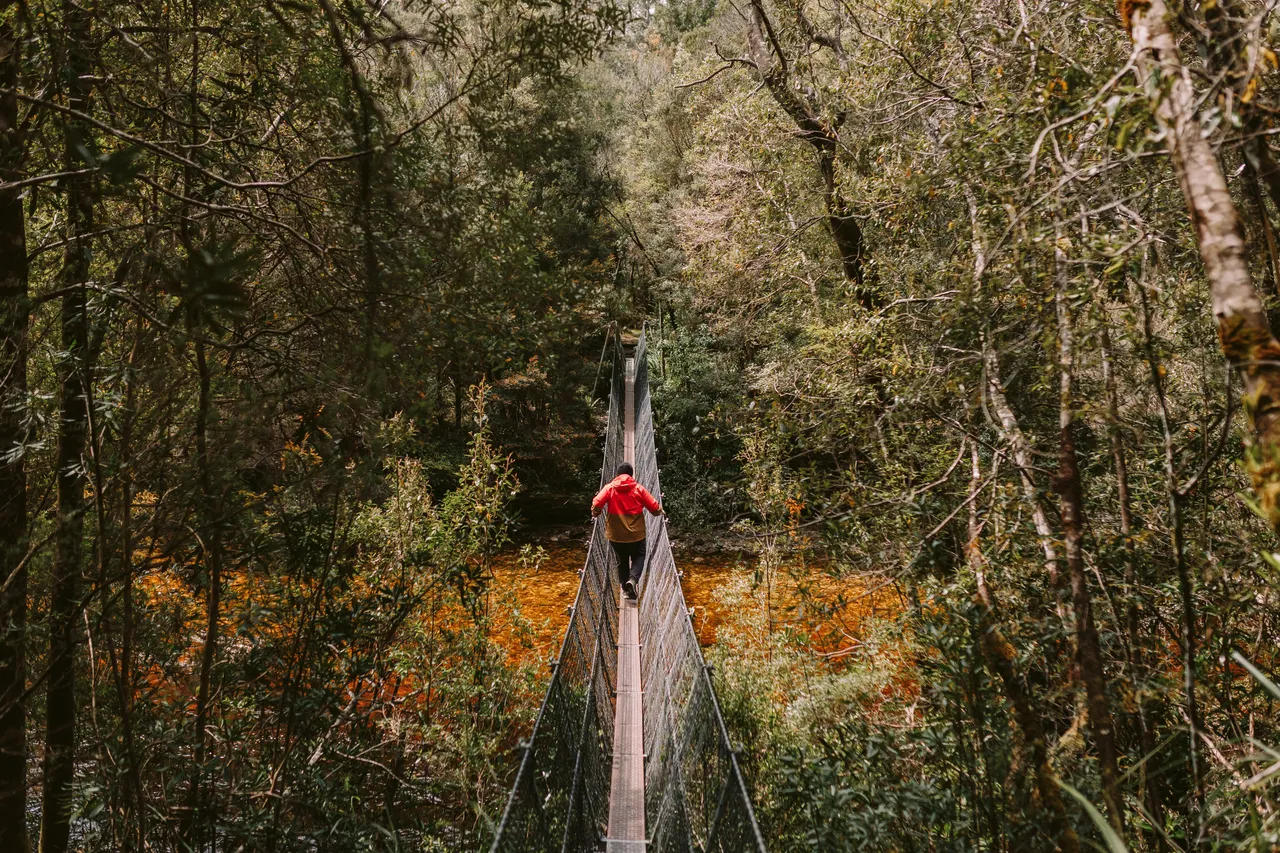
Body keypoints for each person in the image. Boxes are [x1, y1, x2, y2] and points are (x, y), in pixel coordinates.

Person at [592, 462, 663, 600]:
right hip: (636, 535)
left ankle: (625, 589)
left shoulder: (609, 488)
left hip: (616, 535)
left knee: (622, 560)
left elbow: (596, 503)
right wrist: (660, 511)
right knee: (639, 556)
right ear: (631, 475)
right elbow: (654, 508)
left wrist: (596, 512)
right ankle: (633, 580)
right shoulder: (639, 489)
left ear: (617, 475)